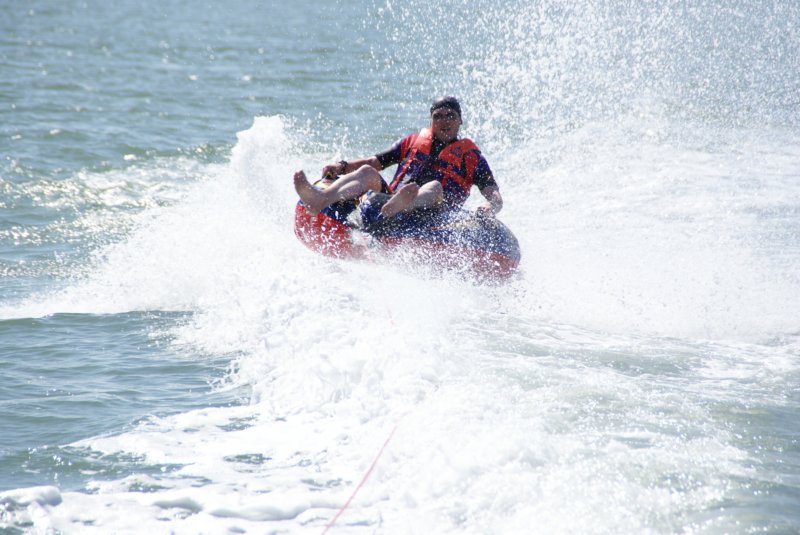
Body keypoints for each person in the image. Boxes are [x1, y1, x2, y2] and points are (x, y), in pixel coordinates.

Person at [293, 96, 503, 219]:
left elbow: (493, 194)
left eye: (450, 116)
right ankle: (320, 199)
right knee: (367, 172)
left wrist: (490, 207)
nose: (444, 121)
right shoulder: (412, 142)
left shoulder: (471, 157)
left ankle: (404, 204)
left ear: (460, 121)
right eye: (437, 116)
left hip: (435, 216)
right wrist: (342, 166)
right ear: (431, 121)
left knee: (434, 187)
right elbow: (374, 162)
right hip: (390, 201)